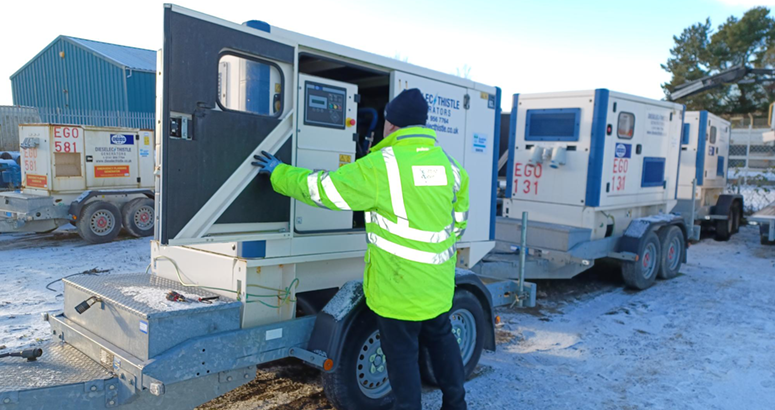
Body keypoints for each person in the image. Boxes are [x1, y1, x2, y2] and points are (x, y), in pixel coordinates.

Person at [252, 88, 469, 410]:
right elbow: (458, 222)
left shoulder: (383, 165)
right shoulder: (450, 167)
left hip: (397, 290)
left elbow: (325, 190)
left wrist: (280, 172)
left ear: (391, 125)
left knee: (402, 356)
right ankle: (456, 404)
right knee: (441, 339)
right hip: (437, 283)